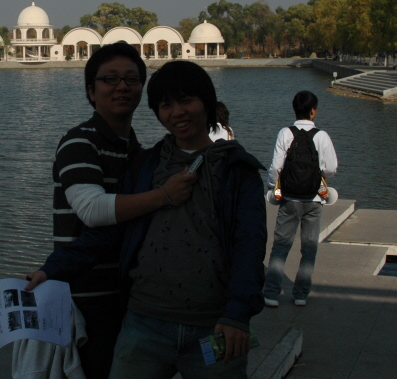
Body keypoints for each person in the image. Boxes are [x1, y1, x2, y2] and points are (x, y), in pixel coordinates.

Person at [30, 61, 267, 378]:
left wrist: (237, 314)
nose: (177, 113)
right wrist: (50, 270)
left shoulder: (236, 170)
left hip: (213, 327)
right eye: (165, 105)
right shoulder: (146, 165)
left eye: (186, 101)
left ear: (207, 103)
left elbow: (249, 246)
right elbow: (110, 233)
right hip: (144, 324)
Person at [47, 44, 196, 379]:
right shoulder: (79, 142)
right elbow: (92, 210)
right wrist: (163, 195)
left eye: (131, 79)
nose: (122, 87)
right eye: (109, 79)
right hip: (86, 298)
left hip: (130, 297)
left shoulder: (137, 151)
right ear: (91, 91)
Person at [263, 91, 338, 307]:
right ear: (313, 111)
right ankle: (300, 295)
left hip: (289, 199)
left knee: (280, 247)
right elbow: (331, 169)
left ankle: (271, 294)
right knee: (309, 248)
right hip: (314, 200)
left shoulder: (285, 133)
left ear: (294, 109)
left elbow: (276, 167)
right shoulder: (321, 136)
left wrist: (273, 187)